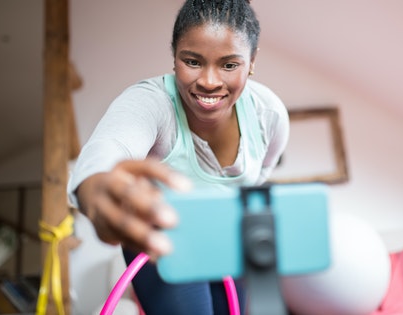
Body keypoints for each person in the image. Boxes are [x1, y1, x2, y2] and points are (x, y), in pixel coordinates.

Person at [67, 0, 289, 313]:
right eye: (193, 61)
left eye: (229, 65)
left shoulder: (269, 115)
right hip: (162, 240)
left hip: (225, 235)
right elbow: (104, 153)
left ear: (251, 61)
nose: (209, 81)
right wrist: (96, 187)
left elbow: (261, 174)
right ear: (174, 57)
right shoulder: (150, 103)